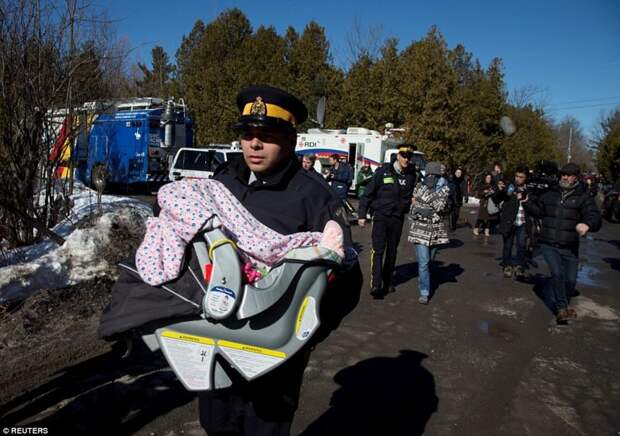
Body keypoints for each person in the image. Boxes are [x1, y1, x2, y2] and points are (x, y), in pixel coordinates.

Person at [523, 162, 601, 324]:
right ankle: (561, 309)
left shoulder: (583, 196)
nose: (565, 177)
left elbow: (594, 216)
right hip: (548, 242)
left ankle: (563, 302)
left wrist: (587, 224)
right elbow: (539, 211)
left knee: (571, 281)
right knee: (557, 274)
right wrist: (526, 202)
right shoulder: (550, 193)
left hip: (570, 246)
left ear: (576, 177)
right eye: (563, 174)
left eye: (569, 175)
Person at [358, 146, 416, 299]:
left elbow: (409, 196)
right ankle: (376, 284)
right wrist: (362, 214)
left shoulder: (411, 175)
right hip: (381, 217)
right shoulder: (383, 172)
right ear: (398, 156)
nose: (406, 159)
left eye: (409, 157)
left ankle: (387, 280)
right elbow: (367, 194)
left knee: (392, 251)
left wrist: (406, 206)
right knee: (378, 250)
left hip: (397, 219)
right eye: (404, 156)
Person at [408, 161, 450, 304]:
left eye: (434, 175)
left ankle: (424, 279)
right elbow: (413, 210)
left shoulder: (444, 189)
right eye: (429, 174)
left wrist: (423, 201)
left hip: (435, 231)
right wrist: (422, 207)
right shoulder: (419, 186)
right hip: (419, 230)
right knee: (424, 263)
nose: (431, 177)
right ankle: (424, 292)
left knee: (430, 261)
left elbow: (439, 206)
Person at [494, 166, 530, 278]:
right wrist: (499, 190)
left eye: (521, 177)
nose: (518, 179)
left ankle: (519, 265)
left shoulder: (529, 189)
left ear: (526, 178)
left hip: (523, 221)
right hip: (510, 221)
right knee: (508, 245)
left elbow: (534, 205)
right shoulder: (510, 186)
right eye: (516, 176)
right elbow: (496, 199)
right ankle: (507, 265)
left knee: (521, 245)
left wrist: (526, 201)